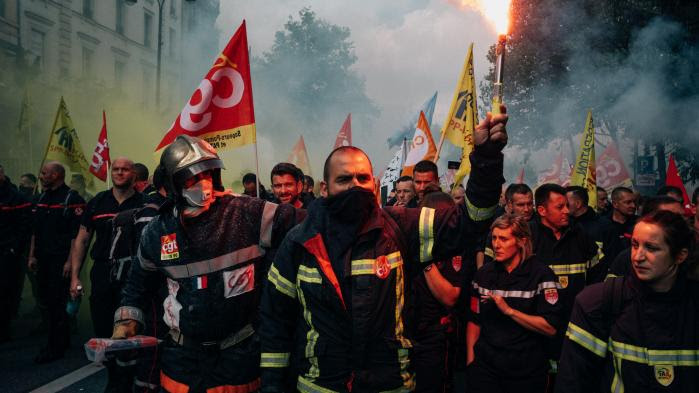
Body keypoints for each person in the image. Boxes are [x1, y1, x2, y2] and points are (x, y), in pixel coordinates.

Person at [259, 106, 507, 392]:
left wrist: (487, 158)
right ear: (324, 189)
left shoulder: (401, 226)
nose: (356, 185)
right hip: (321, 385)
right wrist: (272, 386)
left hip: (388, 384)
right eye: (344, 179)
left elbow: (472, 221)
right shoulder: (299, 242)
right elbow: (275, 321)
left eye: (362, 179)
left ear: (375, 184)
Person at [113, 135, 304, 393]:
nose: (202, 184)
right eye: (192, 178)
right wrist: (126, 320)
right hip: (181, 359)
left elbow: (308, 224)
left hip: (239, 355)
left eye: (207, 174)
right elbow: (136, 286)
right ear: (174, 183)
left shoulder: (246, 213)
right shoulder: (157, 232)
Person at [556, 210, 699, 393]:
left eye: (652, 248)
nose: (638, 257)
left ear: (680, 255)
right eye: (634, 245)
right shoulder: (597, 302)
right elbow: (573, 380)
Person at [68, 158, 144, 391]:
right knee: (103, 329)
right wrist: (74, 276)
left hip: (132, 275)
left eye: (125, 169)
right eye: (116, 169)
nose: (120, 173)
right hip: (102, 273)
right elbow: (82, 239)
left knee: (130, 330)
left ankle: (130, 380)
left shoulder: (143, 203)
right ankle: (114, 379)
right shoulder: (98, 202)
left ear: (134, 174)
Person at [467, 214, 562, 393]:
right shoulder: (484, 275)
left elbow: (550, 328)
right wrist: (471, 362)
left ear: (521, 241)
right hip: (486, 369)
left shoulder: (541, 275)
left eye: (503, 239)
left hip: (525, 371)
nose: (496, 244)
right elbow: (474, 321)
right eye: (494, 238)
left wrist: (509, 311)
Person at [530, 183, 599, 374]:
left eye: (567, 206)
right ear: (542, 210)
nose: (567, 211)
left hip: (575, 326)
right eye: (560, 207)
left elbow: (597, 277)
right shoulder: (528, 237)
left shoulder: (580, 235)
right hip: (537, 330)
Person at [28, 162, 86, 363]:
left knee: (57, 303)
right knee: (46, 301)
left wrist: (70, 262)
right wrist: (32, 255)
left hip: (61, 261)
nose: (41, 176)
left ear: (56, 175)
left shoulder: (72, 199)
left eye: (44, 173)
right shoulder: (41, 198)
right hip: (43, 259)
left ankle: (56, 346)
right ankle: (60, 339)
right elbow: (34, 231)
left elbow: (75, 235)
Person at [413, 192, 463, 392]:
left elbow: (450, 297)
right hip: (406, 335)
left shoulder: (456, 249)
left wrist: (425, 260)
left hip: (435, 338)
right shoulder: (405, 241)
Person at [607, 195, 684, 279]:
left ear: (681, 256)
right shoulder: (625, 260)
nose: (638, 258)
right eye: (670, 218)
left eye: (683, 217)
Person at [0, 164, 32, 342]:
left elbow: (24, 226)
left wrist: (14, 249)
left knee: (5, 291)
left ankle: (4, 328)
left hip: (7, 252)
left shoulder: (15, 197)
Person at [566, 185, 609, 282]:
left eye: (566, 204)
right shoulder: (565, 225)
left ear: (578, 203)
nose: (564, 208)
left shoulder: (604, 226)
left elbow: (611, 259)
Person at [601, 187, 637, 264]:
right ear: (615, 204)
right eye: (628, 202)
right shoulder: (603, 224)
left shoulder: (639, 223)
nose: (633, 206)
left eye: (634, 202)